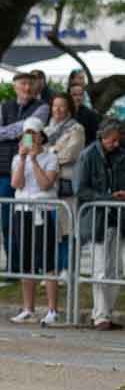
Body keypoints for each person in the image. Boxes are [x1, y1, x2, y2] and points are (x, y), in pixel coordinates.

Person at [0, 74, 50, 273]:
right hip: (6, 171)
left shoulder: (42, 107)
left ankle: (33, 266)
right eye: (22, 84)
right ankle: (12, 267)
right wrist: (19, 128)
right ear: (15, 87)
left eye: (30, 84)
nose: (26, 88)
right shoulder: (4, 106)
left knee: (32, 226)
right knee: (8, 224)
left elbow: (30, 132)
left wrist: (20, 130)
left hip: (31, 169)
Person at [9, 116, 61, 325]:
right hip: (23, 210)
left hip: (44, 210)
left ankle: (52, 310)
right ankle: (28, 308)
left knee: (47, 261)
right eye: (26, 135)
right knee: (26, 261)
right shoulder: (16, 158)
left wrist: (33, 159)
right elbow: (16, 184)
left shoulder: (51, 157)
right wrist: (22, 159)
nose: (29, 139)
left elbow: (45, 184)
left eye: (33, 135)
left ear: (41, 137)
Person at [77, 118, 125, 330]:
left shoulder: (122, 155)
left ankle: (107, 311)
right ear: (103, 137)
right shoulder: (87, 155)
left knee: (116, 269)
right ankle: (100, 315)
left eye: (118, 140)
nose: (116, 144)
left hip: (118, 219)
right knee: (100, 268)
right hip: (98, 220)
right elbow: (81, 189)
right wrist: (108, 197)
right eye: (113, 140)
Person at [45, 91, 85, 273]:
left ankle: (68, 269)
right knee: (51, 231)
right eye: (55, 106)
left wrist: (49, 154)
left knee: (68, 230)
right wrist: (52, 153)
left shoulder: (77, 129)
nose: (58, 109)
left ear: (68, 107)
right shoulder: (45, 129)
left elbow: (70, 154)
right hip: (47, 186)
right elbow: (32, 150)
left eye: (62, 105)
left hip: (66, 186)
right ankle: (52, 269)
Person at [68, 73, 99, 144]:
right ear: (69, 96)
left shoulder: (91, 115)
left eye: (80, 95)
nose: (78, 98)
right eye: (74, 95)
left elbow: (94, 138)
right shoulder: (64, 112)